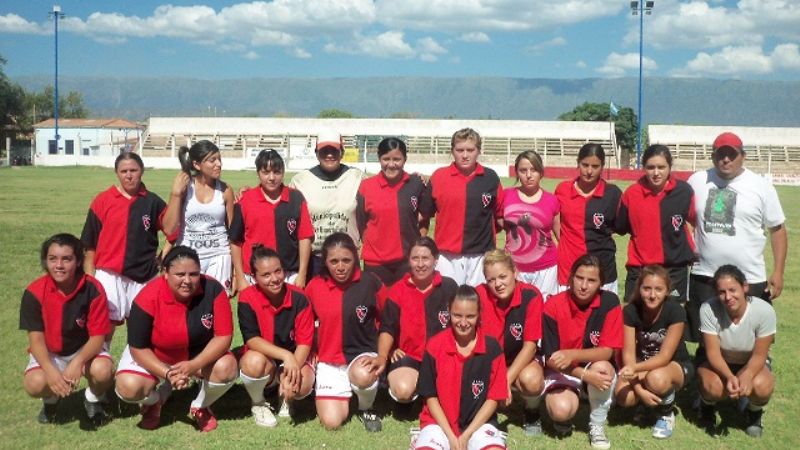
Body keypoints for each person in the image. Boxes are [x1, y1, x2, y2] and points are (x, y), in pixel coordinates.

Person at [114, 246, 236, 432]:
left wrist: (193, 365)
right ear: (165, 273)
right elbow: (138, 347)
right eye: (180, 274)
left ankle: (200, 405)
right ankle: (155, 401)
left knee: (227, 367)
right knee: (128, 387)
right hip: (157, 354)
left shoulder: (214, 289)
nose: (187, 281)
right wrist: (168, 373)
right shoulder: (147, 296)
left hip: (196, 355)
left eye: (194, 274)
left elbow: (223, 336)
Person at [686, 132, 786, 342]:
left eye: (731, 154)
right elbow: (685, 219)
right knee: (706, 338)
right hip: (705, 275)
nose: (726, 159)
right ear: (713, 156)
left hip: (749, 277)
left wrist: (778, 272)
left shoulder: (761, 186)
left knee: (749, 338)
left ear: (743, 155)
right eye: (720, 154)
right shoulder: (697, 181)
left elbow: (777, 229)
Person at [20, 233, 114, 425]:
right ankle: (51, 400)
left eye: (67, 259)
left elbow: (98, 337)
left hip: (85, 350)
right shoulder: (34, 292)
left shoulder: (93, 288)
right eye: (52, 259)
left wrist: (77, 362)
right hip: (51, 352)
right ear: (46, 261)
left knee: (103, 371)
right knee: (34, 384)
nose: (59, 265)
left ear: (78, 261)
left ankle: (93, 399)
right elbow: (36, 340)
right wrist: (52, 372)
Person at [304, 232, 387, 432]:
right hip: (329, 360)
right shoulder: (315, 286)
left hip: (361, 355)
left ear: (356, 258)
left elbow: (388, 321)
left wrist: (385, 353)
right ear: (325, 261)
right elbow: (305, 325)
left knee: (363, 374)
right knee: (332, 422)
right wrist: (310, 350)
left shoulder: (371, 282)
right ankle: (343, 391)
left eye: (346, 260)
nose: (340, 267)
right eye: (334, 261)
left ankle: (366, 406)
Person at [540, 254, 623, 449]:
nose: (584, 285)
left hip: (590, 366)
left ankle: (597, 425)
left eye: (592, 280)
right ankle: (565, 415)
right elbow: (551, 358)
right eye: (579, 278)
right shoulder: (553, 305)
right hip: (563, 370)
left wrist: (573, 355)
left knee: (603, 369)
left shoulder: (610, 302)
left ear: (601, 283)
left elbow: (607, 352)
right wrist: (584, 375)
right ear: (570, 278)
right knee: (561, 410)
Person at [81, 152, 170, 329]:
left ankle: (135, 358)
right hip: (109, 274)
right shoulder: (103, 200)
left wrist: (162, 257)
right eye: (124, 171)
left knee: (143, 328)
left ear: (141, 171)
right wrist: (91, 278)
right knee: (104, 326)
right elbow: (89, 243)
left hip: (144, 275)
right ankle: (101, 356)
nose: (129, 175)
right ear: (117, 173)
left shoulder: (152, 201)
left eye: (133, 170)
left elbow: (173, 231)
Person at [412, 285, 508, 450]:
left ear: (479, 314)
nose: (463, 323)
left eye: (470, 316)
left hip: (478, 425)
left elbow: (494, 399)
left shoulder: (492, 348)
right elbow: (430, 397)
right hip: (439, 424)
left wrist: (467, 434)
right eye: (457, 315)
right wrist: (450, 436)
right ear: (449, 311)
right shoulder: (435, 345)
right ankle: (422, 439)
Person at [237, 245, 315, 427]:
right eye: (266, 275)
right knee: (252, 362)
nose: (274, 279)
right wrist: (285, 355)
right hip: (265, 360)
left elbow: (305, 341)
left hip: (295, 356)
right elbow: (251, 339)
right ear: (254, 277)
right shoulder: (247, 297)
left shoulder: (299, 297)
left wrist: (292, 368)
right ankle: (258, 403)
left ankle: (286, 398)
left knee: (301, 385)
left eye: (278, 271)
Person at [696, 265, 776, 438]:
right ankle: (706, 406)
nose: (728, 297)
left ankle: (754, 413)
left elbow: (760, 355)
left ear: (745, 287)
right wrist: (730, 376)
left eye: (733, 290)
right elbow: (713, 354)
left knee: (762, 386)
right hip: (719, 361)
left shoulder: (764, 311)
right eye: (721, 292)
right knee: (715, 387)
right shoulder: (708, 309)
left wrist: (746, 376)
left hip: (750, 361)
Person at [377, 237, 458, 406]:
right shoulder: (398, 290)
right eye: (415, 258)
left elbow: (461, 324)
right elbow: (387, 327)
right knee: (403, 389)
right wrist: (386, 353)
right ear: (409, 261)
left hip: (442, 355)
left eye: (425, 258)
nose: (420, 264)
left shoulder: (449, 287)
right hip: (409, 355)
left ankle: (429, 392)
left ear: (435, 260)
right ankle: (410, 398)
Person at [614, 265, 693, 440]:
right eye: (647, 288)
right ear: (639, 288)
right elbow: (628, 354)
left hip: (674, 366)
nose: (652, 295)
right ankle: (646, 403)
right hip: (642, 364)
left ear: (667, 291)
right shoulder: (630, 310)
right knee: (623, 396)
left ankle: (666, 412)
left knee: (656, 379)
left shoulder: (676, 310)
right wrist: (638, 389)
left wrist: (634, 369)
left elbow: (665, 357)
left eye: (658, 289)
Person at [419, 128, 504, 286]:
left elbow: (500, 218)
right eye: (460, 150)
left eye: (470, 150)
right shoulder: (439, 177)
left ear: (478, 150)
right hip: (447, 257)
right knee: (448, 303)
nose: (465, 155)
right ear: (452, 151)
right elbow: (423, 216)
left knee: (480, 303)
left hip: (481, 256)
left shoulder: (491, 178)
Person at [475, 249, 545, 436]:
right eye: (491, 280)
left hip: (520, 358)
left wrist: (503, 381)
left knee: (531, 380)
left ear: (515, 272)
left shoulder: (531, 295)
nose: (498, 284)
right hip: (489, 360)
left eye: (503, 276)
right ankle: (483, 414)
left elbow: (530, 346)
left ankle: (531, 411)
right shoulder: (478, 295)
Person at [617, 145, 696, 303]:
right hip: (640, 268)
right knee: (632, 318)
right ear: (643, 167)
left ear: (670, 167)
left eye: (661, 167)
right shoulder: (631, 194)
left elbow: (694, 220)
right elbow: (621, 227)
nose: (656, 173)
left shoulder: (684, 191)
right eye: (650, 167)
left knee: (674, 318)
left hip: (674, 269)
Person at [230, 150, 314, 292]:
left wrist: (302, 274)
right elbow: (235, 242)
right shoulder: (245, 201)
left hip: (289, 274)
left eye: (276, 172)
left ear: (283, 172)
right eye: (266, 172)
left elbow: (304, 237)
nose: (271, 177)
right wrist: (240, 277)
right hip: (254, 275)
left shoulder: (296, 198)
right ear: (258, 173)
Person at [162, 140, 235, 292]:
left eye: (219, 159)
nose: (219, 164)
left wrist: (235, 273)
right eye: (212, 160)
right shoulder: (184, 189)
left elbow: (233, 233)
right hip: (188, 258)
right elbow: (169, 229)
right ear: (196, 164)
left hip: (220, 256)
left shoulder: (225, 190)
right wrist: (175, 194)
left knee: (216, 302)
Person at [290, 132, 365, 276]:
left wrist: (416, 179)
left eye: (334, 151)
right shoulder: (300, 180)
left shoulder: (357, 177)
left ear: (342, 152)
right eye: (324, 151)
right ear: (316, 153)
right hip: (314, 259)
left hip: (348, 257)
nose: (329, 155)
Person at [357, 137, 427, 286]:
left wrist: (419, 245)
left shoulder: (415, 183)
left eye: (397, 159)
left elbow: (425, 215)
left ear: (405, 159)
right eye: (386, 159)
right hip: (376, 262)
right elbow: (361, 223)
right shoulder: (366, 187)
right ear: (379, 159)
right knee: (379, 305)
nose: (391, 164)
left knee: (405, 304)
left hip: (407, 259)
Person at [554, 144, 622, 294]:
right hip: (569, 269)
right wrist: (567, 242)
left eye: (595, 166)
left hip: (603, 269)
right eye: (585, 165)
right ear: (578, 162)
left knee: (602, 315)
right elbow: (555, 220)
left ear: (602, 166)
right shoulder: (562, 190)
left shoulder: (613, 194)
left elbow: (620, 226)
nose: (589, 171)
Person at [503, 150, 560, 298]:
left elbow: (560, 236)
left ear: (541, 172)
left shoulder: (551, 200)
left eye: (533, 170)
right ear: (517, 172)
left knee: (544, 313)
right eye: (523, 170)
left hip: (546, 269)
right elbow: (498, 225)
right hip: (514, 268)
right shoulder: (506, 196)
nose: (528, 175)